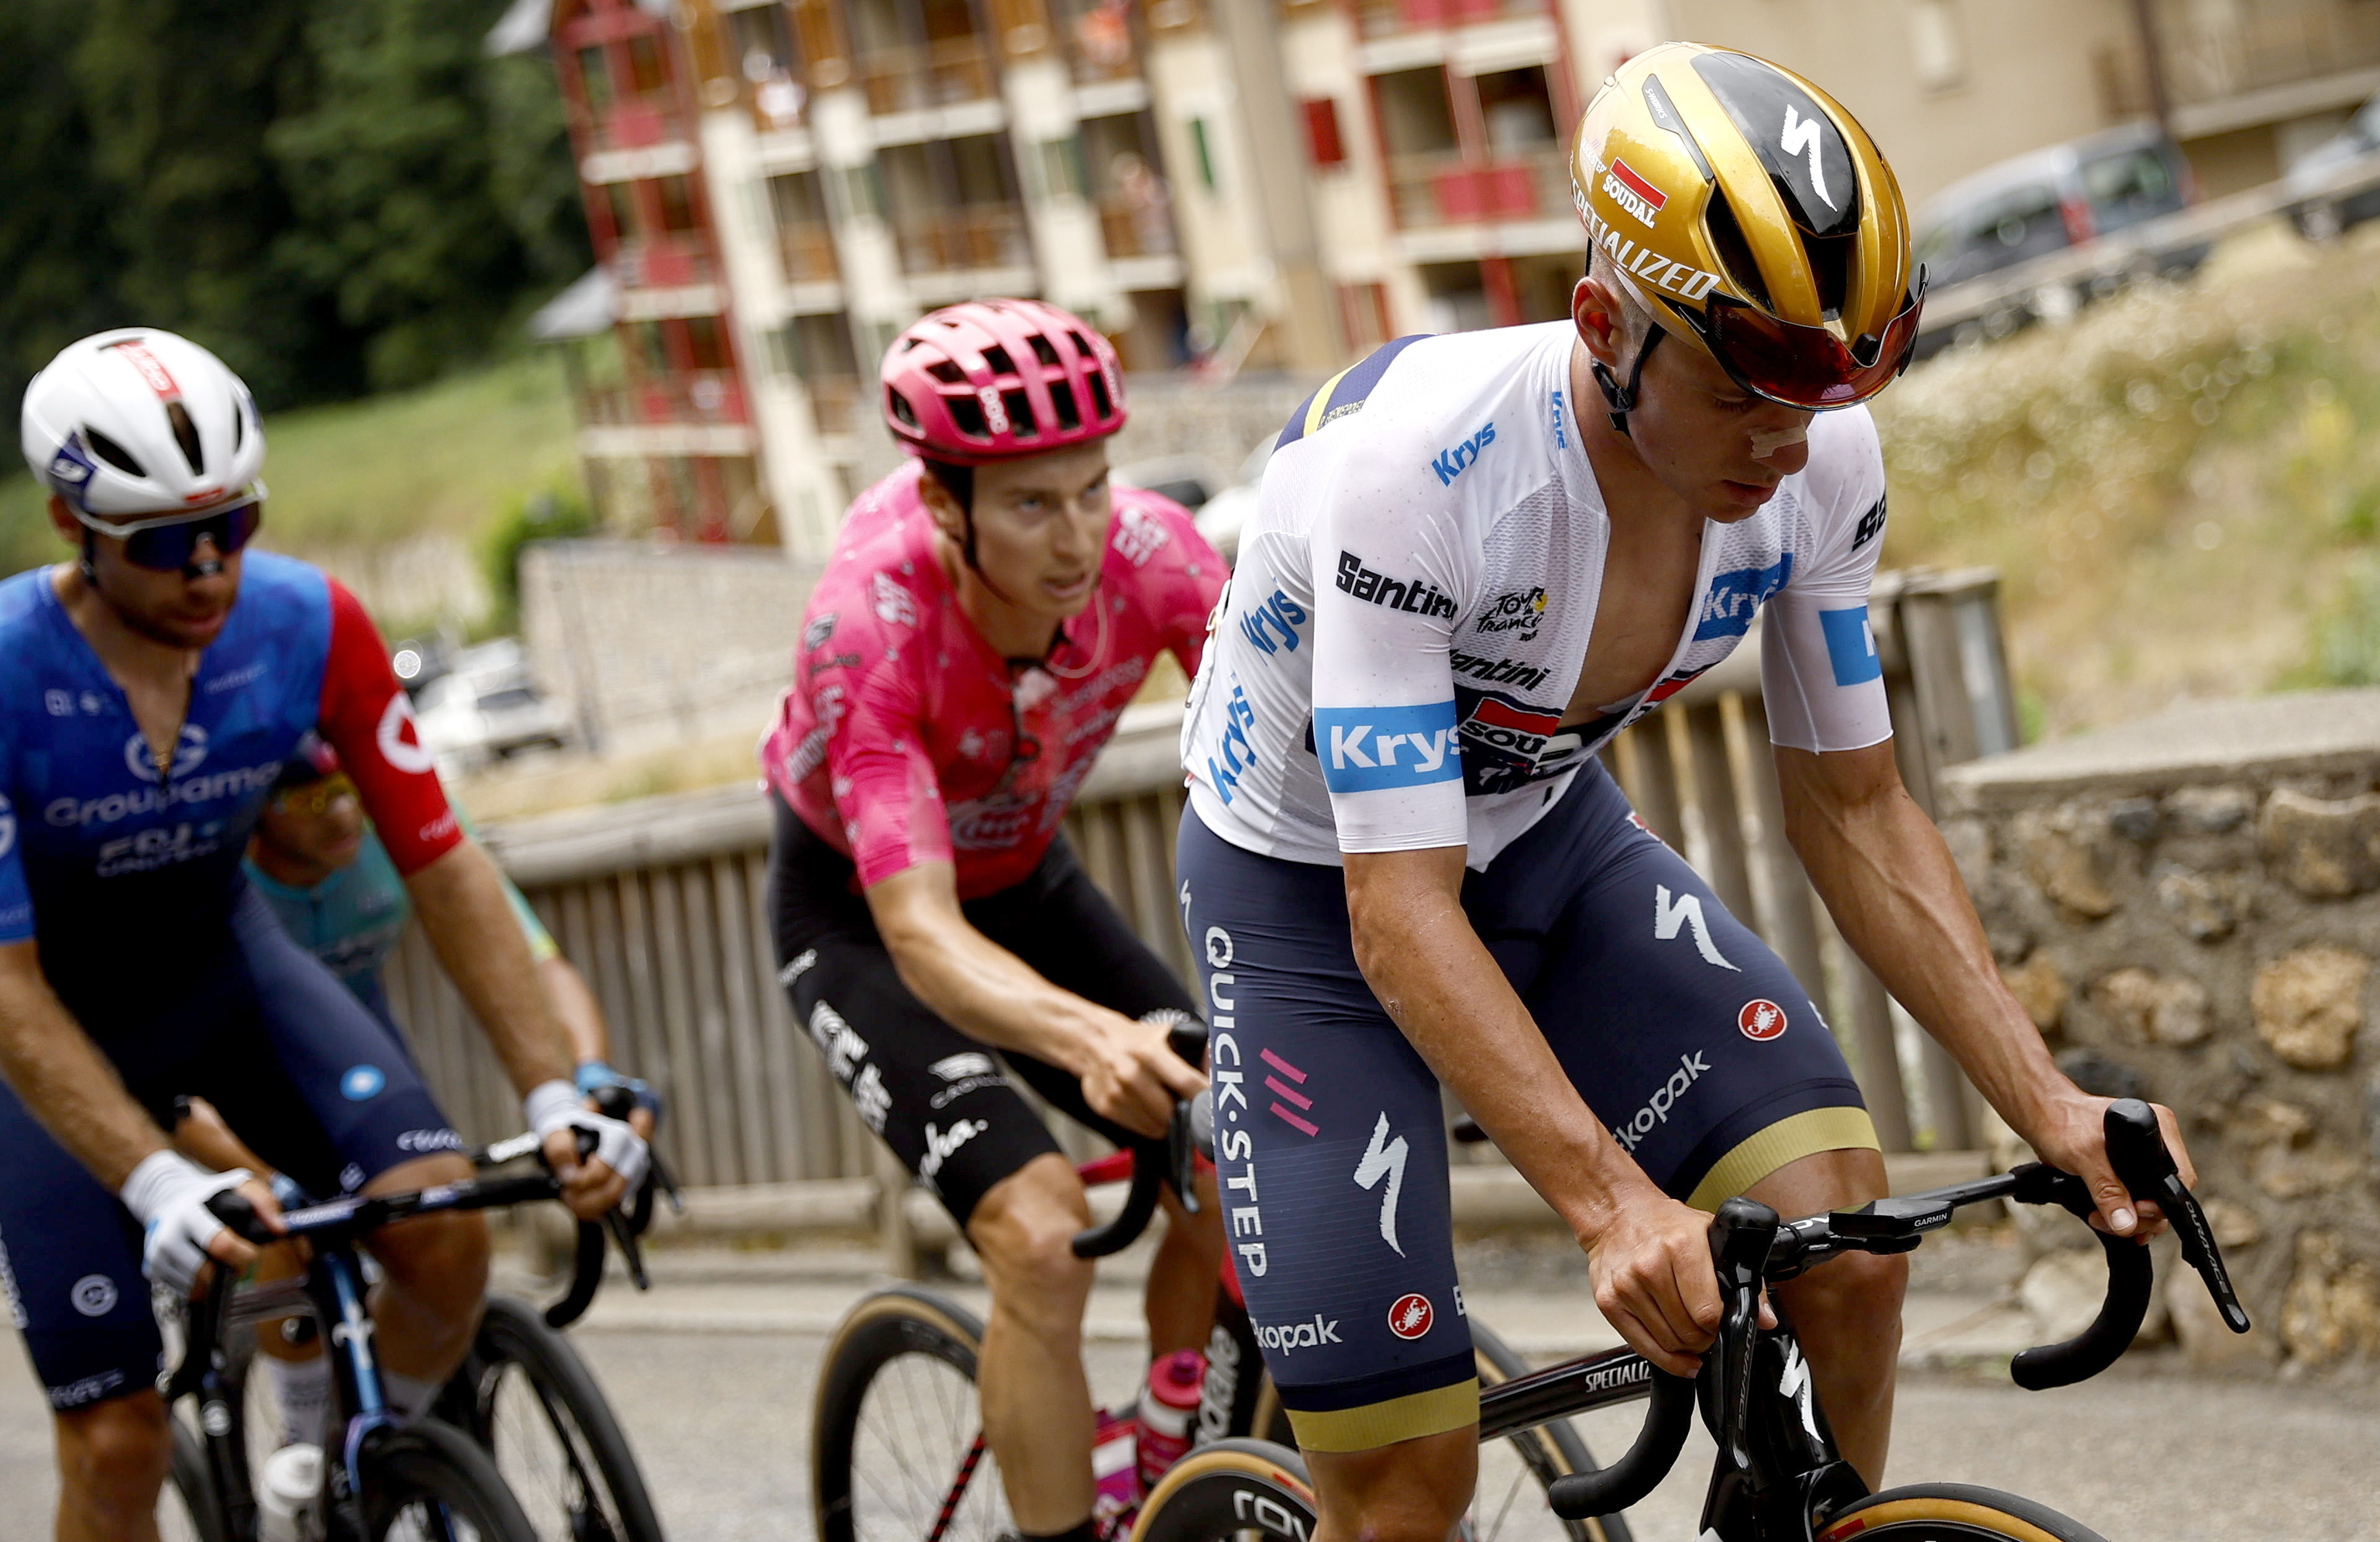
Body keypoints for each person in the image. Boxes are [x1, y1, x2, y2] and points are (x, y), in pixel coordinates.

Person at [1174, 42, 2199, 1540]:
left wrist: (2047, 1103)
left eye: (1835, 382)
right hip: (1306, 904)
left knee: (1840, 1252)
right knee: (1403, 1489)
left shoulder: (1815, 458)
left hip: (1544, 838)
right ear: (1605, 325)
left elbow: (1852, 810)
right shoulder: (1413, 481)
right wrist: (1612, 1207)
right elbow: (1395, 914)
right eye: (1746, 390)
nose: (1790, 443)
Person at [0, 327, 647, 1542]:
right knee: (118, 1435)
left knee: (443, 1226)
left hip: (221, 965)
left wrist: (553, 1090)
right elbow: (7, 982)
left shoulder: (307, 623)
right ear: (68, 526)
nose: (207, 571)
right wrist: (151, 1179)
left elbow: (443, 864)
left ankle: (335, 1473)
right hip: (44, 1028)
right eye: (163, 543)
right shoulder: (4, 673)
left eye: (232, 526)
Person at [760, 299, 1226, 1542]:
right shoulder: (866, 628)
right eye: (1031, 505)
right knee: (1035, 1224)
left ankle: (1170, 1438)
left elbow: (1289, 760)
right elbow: (916, 932)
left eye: (1093, 489)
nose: (1078, 537)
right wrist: (1091, 1043)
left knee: (1227, 1148)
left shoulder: (1158, 554)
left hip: (1026, 880)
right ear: (945, 502)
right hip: (861, 913)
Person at [239, 731, 655, 1117]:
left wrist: (592, 1073)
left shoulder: (402, 824)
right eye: (309, 802)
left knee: (432, 1160)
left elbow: (534, 960)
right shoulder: (226, 872)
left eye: (348, 790)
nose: (342, 815)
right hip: (247, 1047)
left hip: (360, 1015)